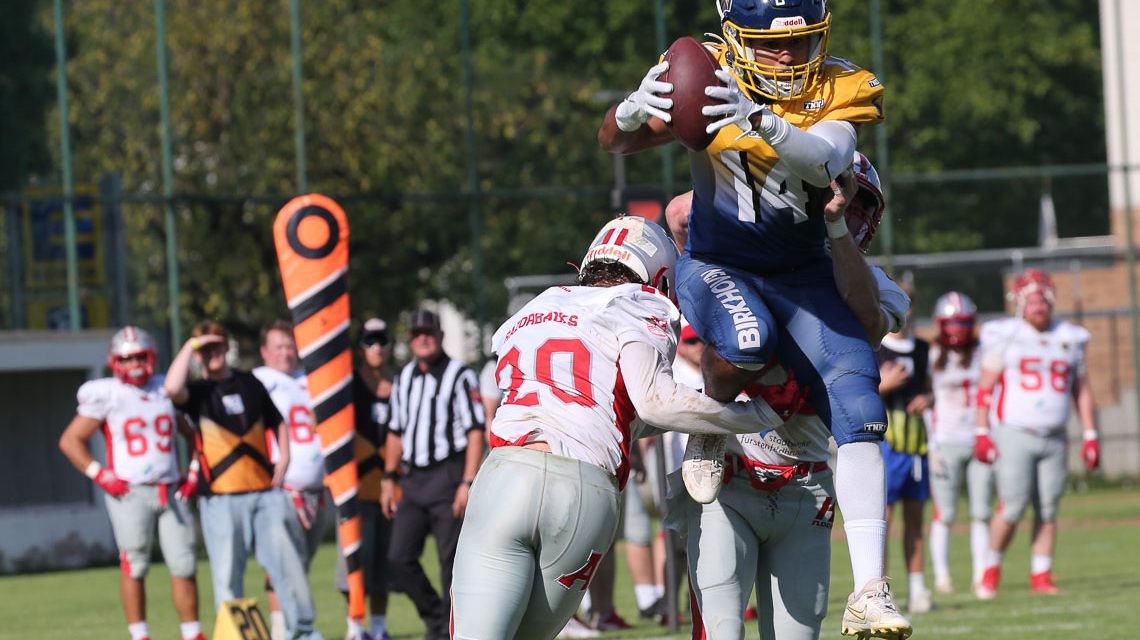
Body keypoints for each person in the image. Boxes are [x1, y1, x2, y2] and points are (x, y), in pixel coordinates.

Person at [599, 7, 899, 635]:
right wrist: (627, 114)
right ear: (738, 38)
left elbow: (825, 158)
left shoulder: (839, 86)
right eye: (771, 46)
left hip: (804, 271)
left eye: (800, 43)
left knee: (858, 392)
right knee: (747, 339)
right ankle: (711, 424)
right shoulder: (710, 76)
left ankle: (871, 588)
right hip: (724, 263)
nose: (789, 58)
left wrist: (760, 120)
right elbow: (619, 142)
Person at [450, 215, 792, 640]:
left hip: (505, 475)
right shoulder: (642, 302)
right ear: (658, 274)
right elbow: (655, 401)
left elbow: (611, 408)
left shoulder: (538, 305)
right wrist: (756, 415)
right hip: (582, 490)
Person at [668, 154, 912, 640]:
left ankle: (870, 587)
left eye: (858, 202)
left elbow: (865, 318)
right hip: (731, 476)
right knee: (721, 631)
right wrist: (760, 191)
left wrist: (835, 225)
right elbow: (678, 214)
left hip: (805, 484)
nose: (846, 206)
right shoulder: (745, 252)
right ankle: (710, 433)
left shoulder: (879, 287)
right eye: (833, 191)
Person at [165, 321, 323, 640]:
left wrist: (285, 459)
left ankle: (304, 633)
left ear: (227, 347)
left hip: (266, 493)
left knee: (288, 567)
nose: (213, 354)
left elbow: (278, 421)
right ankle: (237, 635)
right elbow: (171, 388)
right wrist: (191, 346)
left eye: (217, 346)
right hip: (221, 498)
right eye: (206, 349)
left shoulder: (250, 382)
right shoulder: (197, 392)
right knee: (227, 575)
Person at [58, 326, 206, 640]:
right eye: (127, 358)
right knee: (135, 564)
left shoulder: (164, 389)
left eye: (140, 356)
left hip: (170, 488)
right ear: (115, 362)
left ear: (151, 356)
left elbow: (194, 435)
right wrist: (99, 474)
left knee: (184, 563)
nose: (134, 363)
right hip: (130, 490)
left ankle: (192, 633)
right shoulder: (107, 393)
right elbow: (71, 441)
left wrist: (192, 472)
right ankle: (140, 635)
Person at [974, 269, 1100, 599]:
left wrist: (1090, 433)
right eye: (1031, 300)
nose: (1038, 306)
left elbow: (1081, 389)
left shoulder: (1071, 336)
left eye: (1042, 298)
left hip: (1056, 435)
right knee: (1012, 506)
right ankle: (991, 569)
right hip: (1016, 432)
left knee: (1048, 509)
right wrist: (982, 430)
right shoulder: (1005, 334)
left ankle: (1041, 574)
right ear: (1018, 303)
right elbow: (985, 389)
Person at [380, 309, 485, 640]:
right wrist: (388, 477)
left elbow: (474, 432)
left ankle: (454, 631)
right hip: (413, 479)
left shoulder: (459, 375)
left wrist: (467, 482)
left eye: (429, 332)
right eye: (416, 334)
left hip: (448, 475)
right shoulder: (404, 377)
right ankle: (439, 620)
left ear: (440, 336)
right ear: (410, 340)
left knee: (449, 562)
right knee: (399, 558)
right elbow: (396, 431)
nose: (422, 338)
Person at [253, 321, 335, 640]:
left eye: (290, 346)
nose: (286, 353)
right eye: (279, 347)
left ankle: (292, 626)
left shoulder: (307, 380)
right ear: (264, 353)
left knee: (300, 566)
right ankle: (281, 631)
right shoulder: (262, 380)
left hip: (316, 489)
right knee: (281, 565)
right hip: (284, 489)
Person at [925, 292, 994, 596]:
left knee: (981, 512)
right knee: (946, 514)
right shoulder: (931, 354)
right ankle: (942, 577)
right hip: (946, 440)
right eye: (952, 322)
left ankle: (982, 575)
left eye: (963, 322)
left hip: (979, 438)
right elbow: (926, 403)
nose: (957, 328)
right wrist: (931, 444)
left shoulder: (984, 351)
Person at [336, 317, 397, 640]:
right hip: (354, 486)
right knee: (354, 559)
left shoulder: (398, 386)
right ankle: (354, 626)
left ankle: (378, 626)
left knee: (384, 562)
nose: (377, 347)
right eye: (370, 341)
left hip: (388, 486)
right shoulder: (348, 385)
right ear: (360, 347)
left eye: (382, 340)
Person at [877, 286, 935, 613]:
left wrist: (928, 399)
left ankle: (919, 591)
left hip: (917, 446)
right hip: (887, 446)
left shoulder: (923, 349)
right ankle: (881, 592)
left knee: (915, 521)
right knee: (882, 521)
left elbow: (929, 390)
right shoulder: (874, 347)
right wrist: (884, 386)